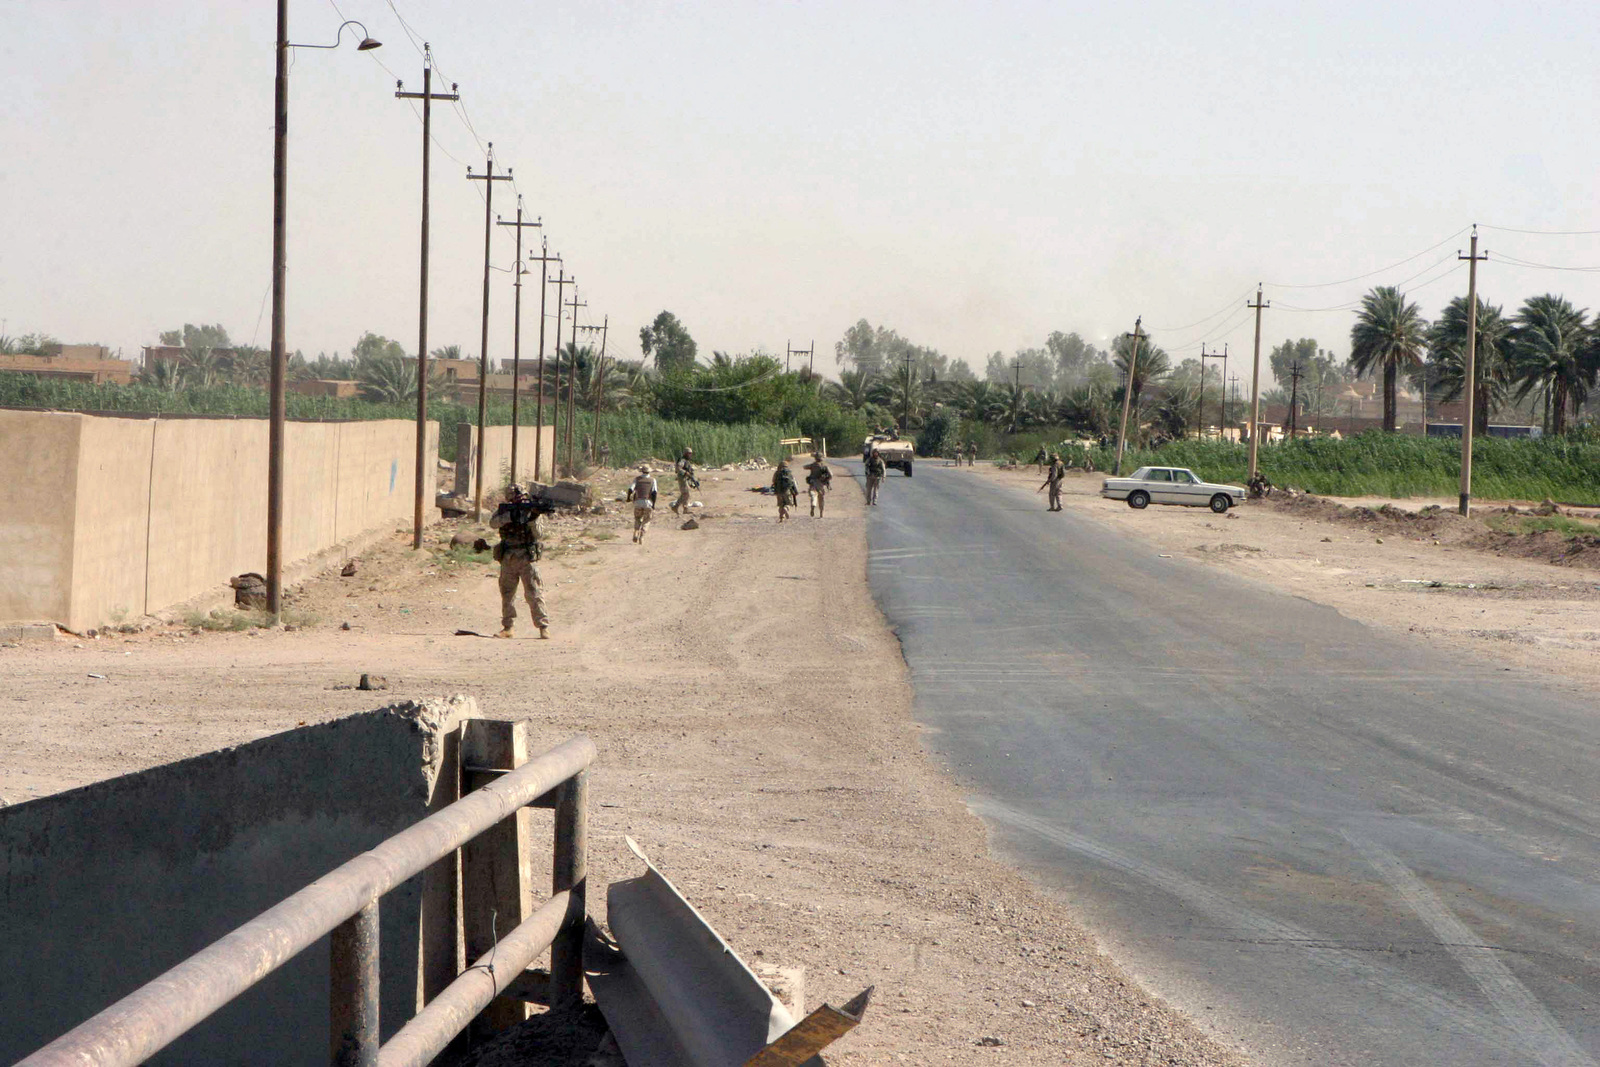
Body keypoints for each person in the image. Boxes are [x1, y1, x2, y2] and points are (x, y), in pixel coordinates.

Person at [489, 483, 550, 639]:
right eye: (515, 496)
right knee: (507, 594)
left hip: (526, 557)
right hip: (508, 557)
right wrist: (510, 517)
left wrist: (533, 518)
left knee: (534, 593)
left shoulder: (532, 511)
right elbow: (493, 523)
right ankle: (508, 627)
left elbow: (539, 534)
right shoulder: (505, 510)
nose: (520, 499)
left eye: (522, 495)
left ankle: (543, 626)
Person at [626, 464, 658, 544]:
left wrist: (628, 498)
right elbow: (654, 492)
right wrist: (653, 504)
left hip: (638, 502)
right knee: (647, 520)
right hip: (648, 502)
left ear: (642, 471)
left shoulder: (637, 479)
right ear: (649, 471)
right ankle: (641, 536)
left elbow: (630, 489)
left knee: (637, 518)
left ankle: (636, 531)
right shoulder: (652, 480)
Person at [804, 451, 832, 518]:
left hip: (813, 482)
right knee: (821, 498)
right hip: (821, 484)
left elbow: (804, 467)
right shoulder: (824, 466)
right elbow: (831, 475)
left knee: (813, 496)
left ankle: (813, 505)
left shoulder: (812, 465)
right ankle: (821, 513)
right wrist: (826, 480)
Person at [672, 447, 698, 516]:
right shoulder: (682, 460)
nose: (690, 455)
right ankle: (679, 507)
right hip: (682, 478)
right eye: (689, 453)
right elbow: (678, 468)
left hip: (685, 478)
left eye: (691, 453)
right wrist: (686, 473)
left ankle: (681, 507)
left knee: (685, 493)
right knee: (685, 493)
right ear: (685, 453)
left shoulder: (686, 460)